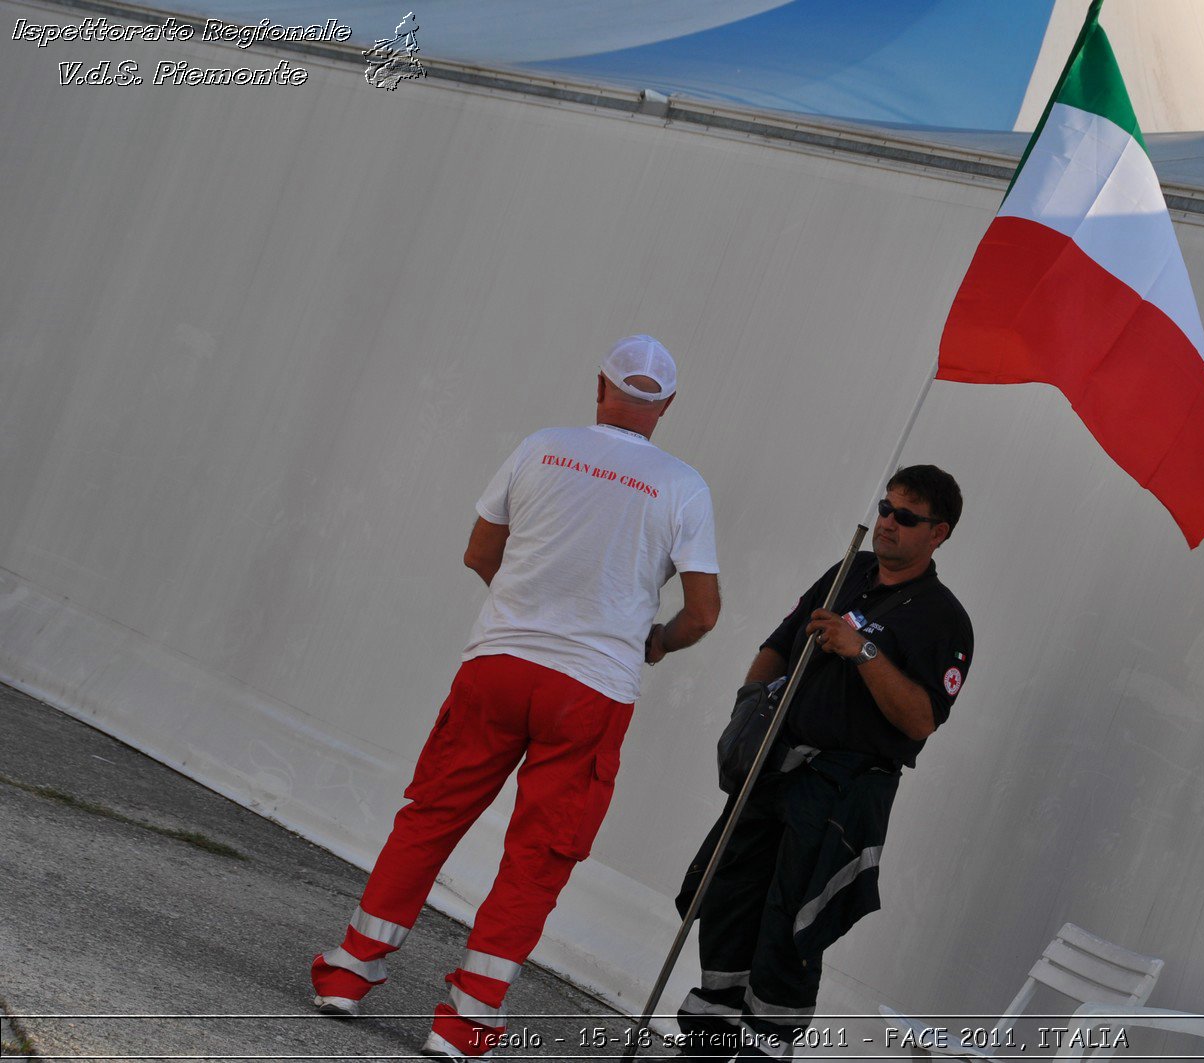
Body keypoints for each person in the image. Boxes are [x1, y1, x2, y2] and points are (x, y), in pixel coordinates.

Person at [310, 335, 721, 1059]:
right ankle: (464, 1022)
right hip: (591, 689)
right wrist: (655, 641)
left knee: (431, 814)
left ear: (600, 385)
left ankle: (347, 970)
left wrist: (524, 606)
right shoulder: (682, 485)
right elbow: (704, 611)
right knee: (538, 854)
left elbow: (478, 551)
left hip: (498, 663)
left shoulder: (542, 447)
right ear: (668, 406)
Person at [674, 465, 973, 1061]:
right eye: (886, 509)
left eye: (905, 517)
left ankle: (765, 1052)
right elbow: (779, 644)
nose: (886, 523)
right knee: (726, 902)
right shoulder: (848, 571)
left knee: (792, 929)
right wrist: (745, 715)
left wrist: (861, 649)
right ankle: (702, 1049)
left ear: (938, 534)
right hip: (773, 766)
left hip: (840, 791)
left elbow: (920, 719)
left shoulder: (944, 618)